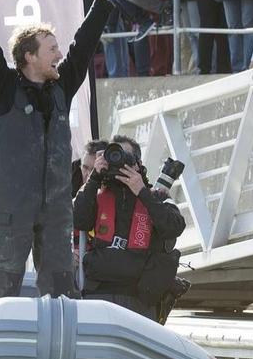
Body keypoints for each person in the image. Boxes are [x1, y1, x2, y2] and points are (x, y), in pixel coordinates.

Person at [0, 0, 116, 299]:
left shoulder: (62, 86)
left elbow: (85, 43)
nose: (60, 54)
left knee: (61, 288)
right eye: (51, 49)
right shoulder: (4, 89)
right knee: (2, 285)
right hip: (9, 208)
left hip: (56, 208)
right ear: (29, 57)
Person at [73, 136, 185, 321]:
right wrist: (95, 177)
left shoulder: (156, 196)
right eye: (114, 156)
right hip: (98, 294)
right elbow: (78, 220)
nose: (119, 162)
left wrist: (141, 191)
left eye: (125, 157)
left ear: (138, 164)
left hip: (139, 298)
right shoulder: (95, 193)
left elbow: (174, 227)